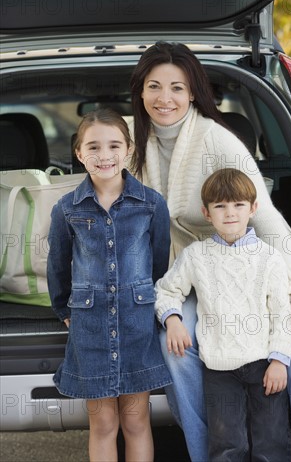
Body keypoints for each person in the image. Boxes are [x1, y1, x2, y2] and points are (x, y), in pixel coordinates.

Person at [130, 41, 291, 462]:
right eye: (154, 87)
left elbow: (267, 221)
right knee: (175, 350)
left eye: (177, 87)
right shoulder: (132, 144)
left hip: (266, 259)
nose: (165, 98)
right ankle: (216, 453)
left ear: (193, 92)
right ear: (140, 92)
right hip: (196, 268)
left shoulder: (217, 140)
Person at [47, 108, 172, 462]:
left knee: (136, 421)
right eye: (94, 147)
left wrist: (150, 304)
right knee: (102, 424)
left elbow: (159, 262)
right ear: (79, 153)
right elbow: (57, 266)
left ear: (129, 148)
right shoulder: (67, 208)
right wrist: (63, 310)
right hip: (91, 331)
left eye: (114, 145)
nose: (104, 156)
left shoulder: (150, 204)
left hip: (137, 327)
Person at [155, 168, 291, 461]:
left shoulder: (269, 257)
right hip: (219, 370)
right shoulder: (196, 256)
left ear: (253, 208)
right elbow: (166, 290)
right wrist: (172, 320)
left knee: (271, 443)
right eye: (220, 206)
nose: (230, 213)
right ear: (207, 213)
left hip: (264, 365)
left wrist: (280, 360)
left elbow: (283, 314)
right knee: (227, 445)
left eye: (238, 205)